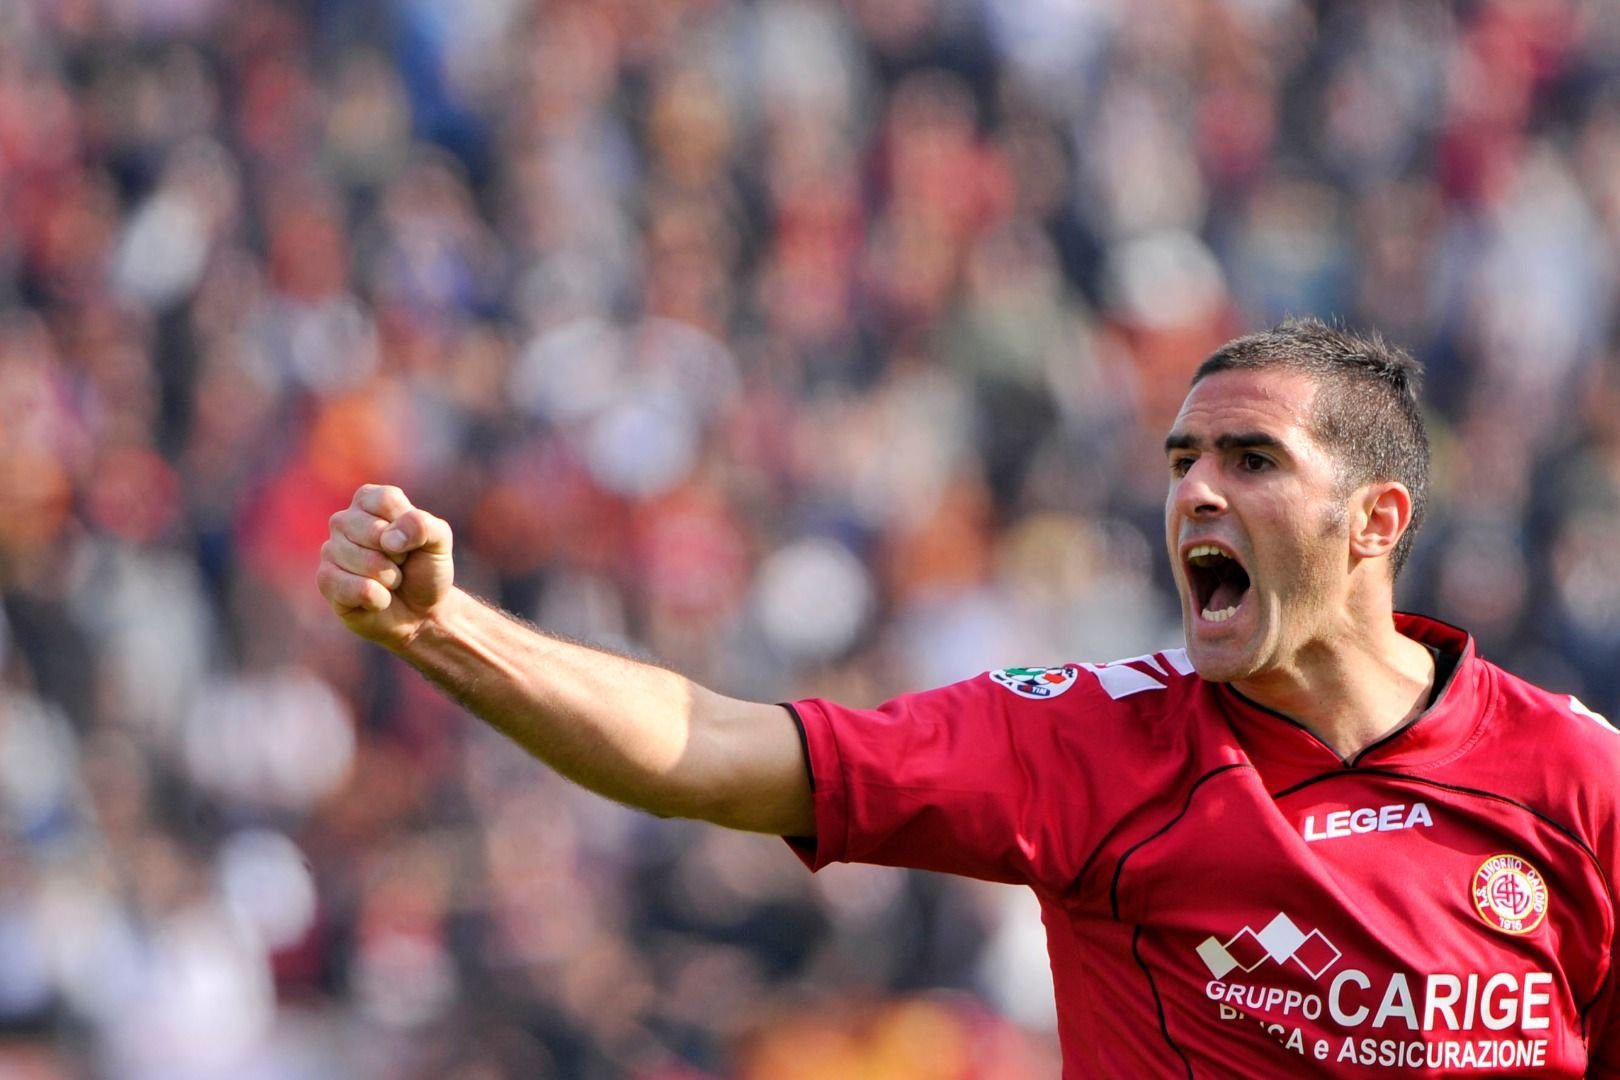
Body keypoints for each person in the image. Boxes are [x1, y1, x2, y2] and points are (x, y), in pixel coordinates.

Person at [317, 319, 1620, 1076]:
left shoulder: (1575, 779)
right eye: (1182, 460)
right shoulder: (1089, 743)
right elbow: (709, 750)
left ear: (1375, 521)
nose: (1194, 492)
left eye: (1252, 459)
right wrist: (444, 628)